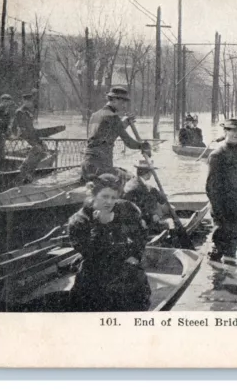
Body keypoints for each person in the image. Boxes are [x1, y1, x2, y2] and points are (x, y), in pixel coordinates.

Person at [67, 173, 151, 312]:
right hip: (95, 268)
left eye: (113, 197)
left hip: (124, 265)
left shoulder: (126, 209)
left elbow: (141, 232)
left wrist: (136, 255)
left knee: (136, 296)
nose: (109, 202)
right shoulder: (79, 221)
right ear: (93, 196)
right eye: (104, 196)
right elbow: (91, 253)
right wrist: (101, 226)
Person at [81, 86, 151, 182]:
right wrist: (143, 145)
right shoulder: (113, 117)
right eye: (122, 102)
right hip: (101, 168)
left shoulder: (95, 115)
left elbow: (106, 135)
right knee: (133, 181)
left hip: (86, 166)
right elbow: (129, 143)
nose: (124, 106)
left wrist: (124, 123)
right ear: (114, 100)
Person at [206, 119, 237, 265]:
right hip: (223, 211)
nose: (236, 134)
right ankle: (217, 282)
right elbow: (211, 188)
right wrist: (219, 213)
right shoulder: (217, 155)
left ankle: (231, 280)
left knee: (232, 249)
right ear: (225, 131)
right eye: (232, 131)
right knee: (218, 249)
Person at [122, 160, 169, 232]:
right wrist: (153, 216)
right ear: (148, 173)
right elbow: (145, 206)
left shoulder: (132, 181)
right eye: (151, 173)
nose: (151, 174)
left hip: (131, 216)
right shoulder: (143, 188)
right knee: (168, 224)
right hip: (138, 220)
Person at [11, 93, 47, 184]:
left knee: (44, 150)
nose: (30, 103)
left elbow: (31, 128)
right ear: (24, 101)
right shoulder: (20, 112)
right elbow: (21, 128)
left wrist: (39, 139)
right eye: (28, 101)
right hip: (24, 136)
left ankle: (30, 171)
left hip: (31, 135)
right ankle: (24, 168)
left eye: (31, 101)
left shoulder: (28, 112)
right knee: (37, 149)